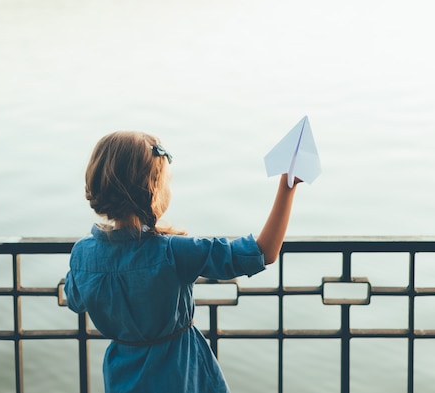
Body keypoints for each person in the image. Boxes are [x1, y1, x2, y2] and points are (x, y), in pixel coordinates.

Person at [64, 130, 301, 393]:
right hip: (181, 376)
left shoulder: (83, 254)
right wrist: (287, 187)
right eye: (168, 181)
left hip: (122, 378)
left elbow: (75, 300)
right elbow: (262, 252)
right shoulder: (173, 252)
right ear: (153, 191)